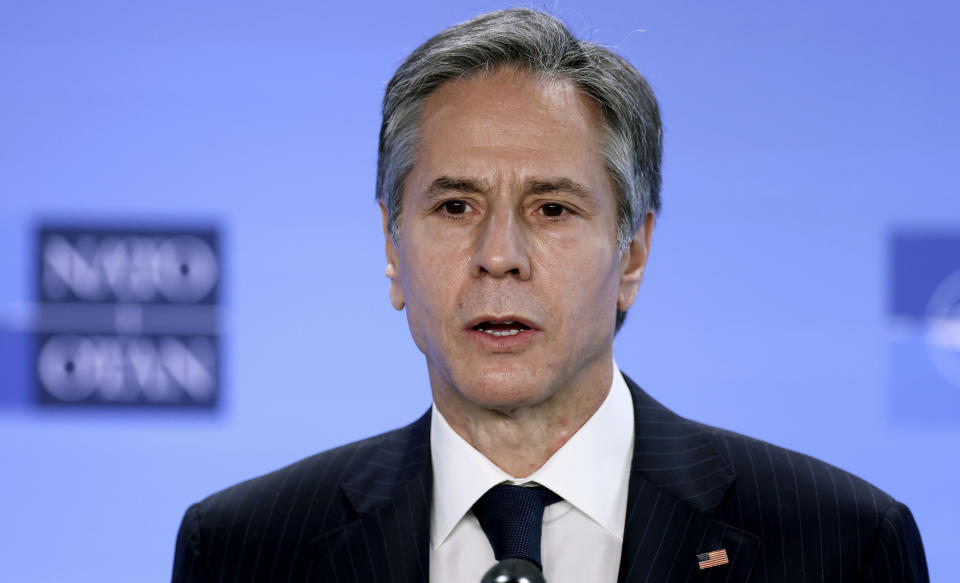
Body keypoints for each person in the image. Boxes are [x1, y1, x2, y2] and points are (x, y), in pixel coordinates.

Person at [172, 8, 928, 582]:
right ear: (391, 248)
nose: (499, 256)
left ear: (633, 250)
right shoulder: (245, 548)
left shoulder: (839, 543)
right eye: (455, 206)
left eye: (553, 208)